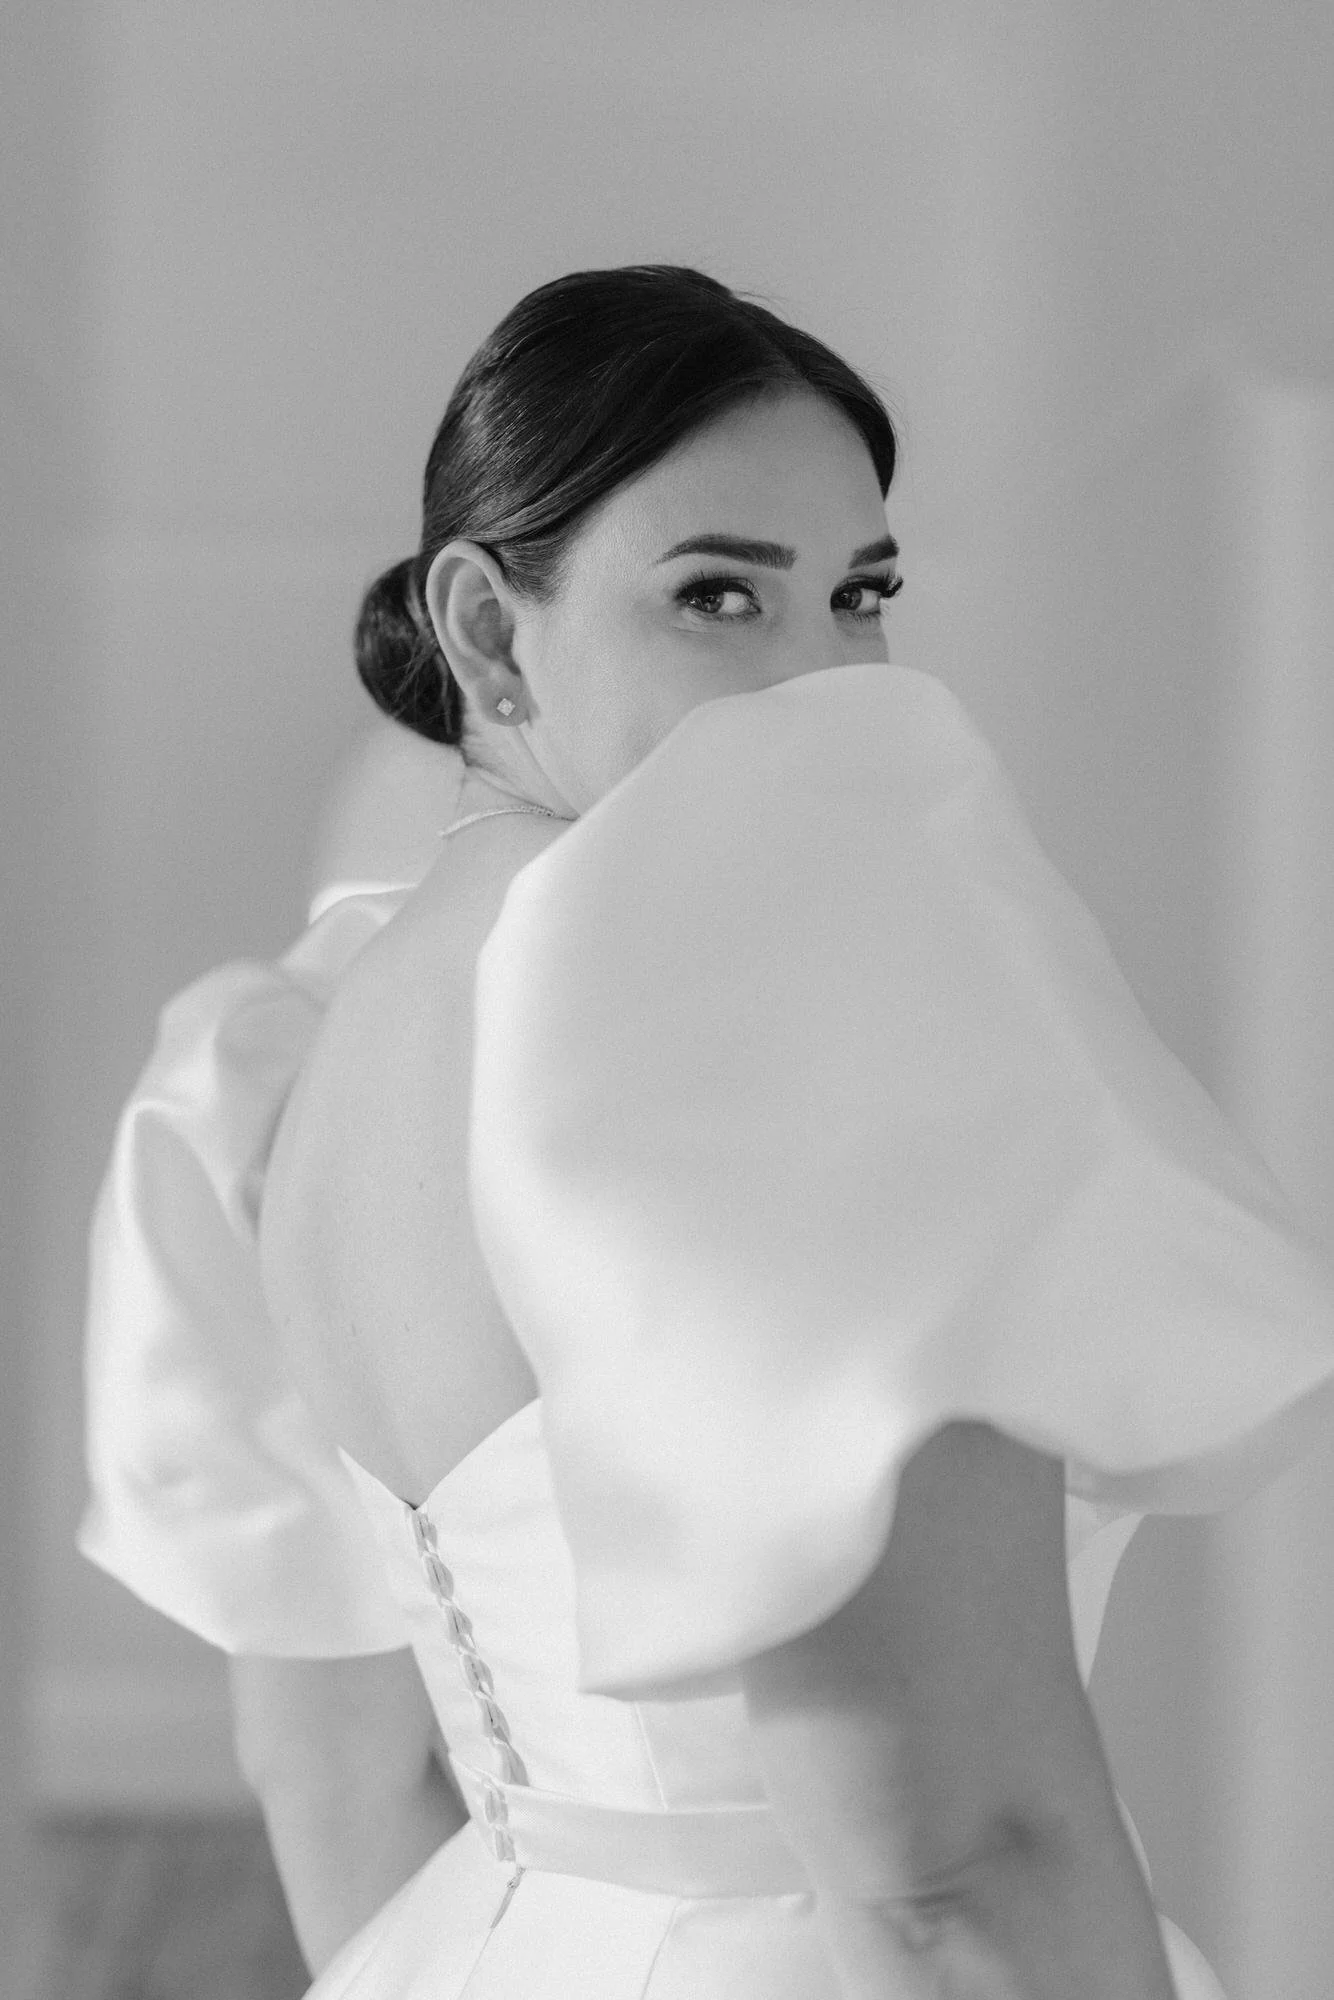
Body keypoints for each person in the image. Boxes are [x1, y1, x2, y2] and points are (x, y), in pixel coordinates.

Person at [79, 264, 1334, 1999]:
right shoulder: (726, 999)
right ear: (488, 629)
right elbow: (955, 1864)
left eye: (858, 595)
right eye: (719, 598)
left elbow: (333, 1763)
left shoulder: (308, 1042)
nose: (820, 681)